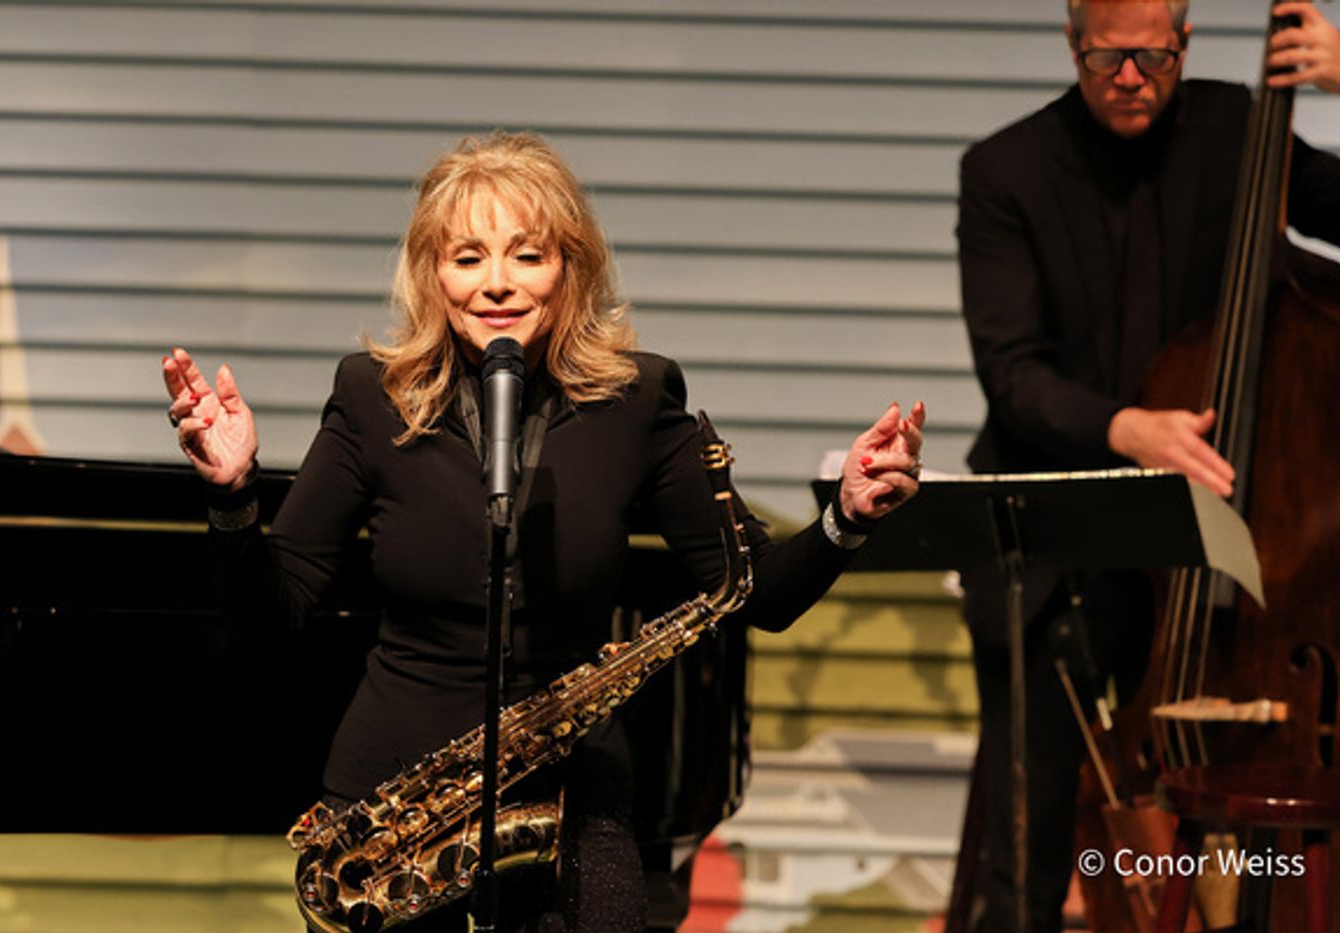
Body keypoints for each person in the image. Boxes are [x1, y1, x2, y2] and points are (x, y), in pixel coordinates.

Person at [161, 131, 926, 933]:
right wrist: (232, 495)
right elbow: (267, 627)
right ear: (431, 275)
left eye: (527, 255)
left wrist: (846, 514)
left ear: (571, 268)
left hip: (573, 798)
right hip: (394, 824)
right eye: (467, 257)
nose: (497, 284)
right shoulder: (370, 397)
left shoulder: (638, 401)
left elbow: (755, 591)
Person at [954, 1, 1340, 930]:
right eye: (1107, 57)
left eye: (1154, 57)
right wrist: (1131, 429)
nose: (1131, 77)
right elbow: (1013, 375)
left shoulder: (1245, 131)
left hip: (1211, 557)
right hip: (1057, 544)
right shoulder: (1004, 170)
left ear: (1186, 42)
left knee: (1210, 825)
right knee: (1028, 829)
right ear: (1072, 43)